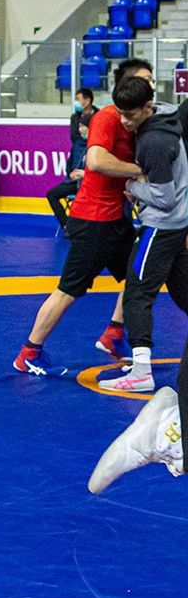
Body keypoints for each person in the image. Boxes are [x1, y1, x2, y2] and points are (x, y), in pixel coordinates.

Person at [12, 58, 155, 376]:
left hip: (114, 218)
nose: (151, 85)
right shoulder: (108, 117)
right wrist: (138, 171)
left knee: (137, 278)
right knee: (69, 290)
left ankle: (113, 334)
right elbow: (96, 160)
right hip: (93, 220)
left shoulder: (138, 118)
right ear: (126, 85)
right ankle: (29, 353)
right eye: (145, 79)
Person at [96, 76, 188, 395]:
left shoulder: (154, 142)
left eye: (130, 114)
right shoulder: (167, 115)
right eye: (120, 113)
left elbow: (164, 197)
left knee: (136, 294)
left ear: (147, 106)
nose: (124, 121)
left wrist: (132, 186)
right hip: (176, 224)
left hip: (162, 225)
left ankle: (140, 371)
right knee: (183, 290)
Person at [46, 88, 97, 227]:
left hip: (90, 183)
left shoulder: (97, 147)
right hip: (74, 181)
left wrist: (83, 175)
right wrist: (71, 173)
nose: (79, 130)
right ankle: (67, 226)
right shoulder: (77, 142)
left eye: (82, 127)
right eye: (78, 127)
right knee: (52, 194)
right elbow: (70, 163)